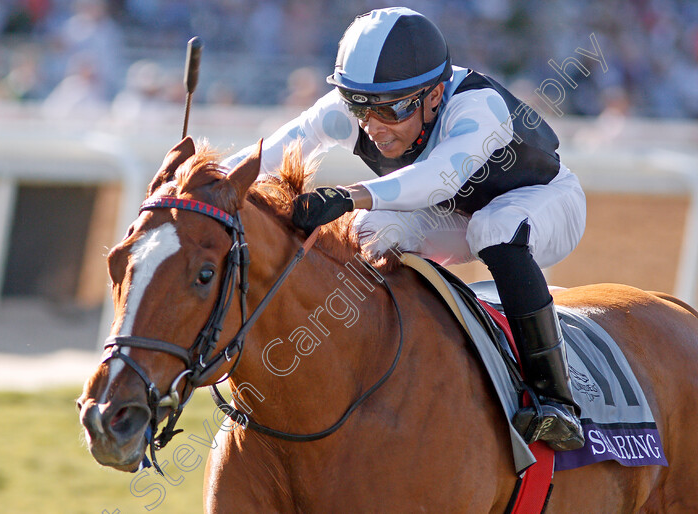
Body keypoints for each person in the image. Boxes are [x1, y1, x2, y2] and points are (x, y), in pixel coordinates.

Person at [222, 7, 586, 451]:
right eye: (360, 106)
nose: (373, 126)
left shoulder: (477, 107)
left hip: (544, 202)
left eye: (392, 108)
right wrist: (198, 188)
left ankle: (556, 401)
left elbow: (438, 178)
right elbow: (271, 152)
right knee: (368, 231)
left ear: (434, 95)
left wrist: (348, 194)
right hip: (452, 214)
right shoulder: (357, 113)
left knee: (494, 226)